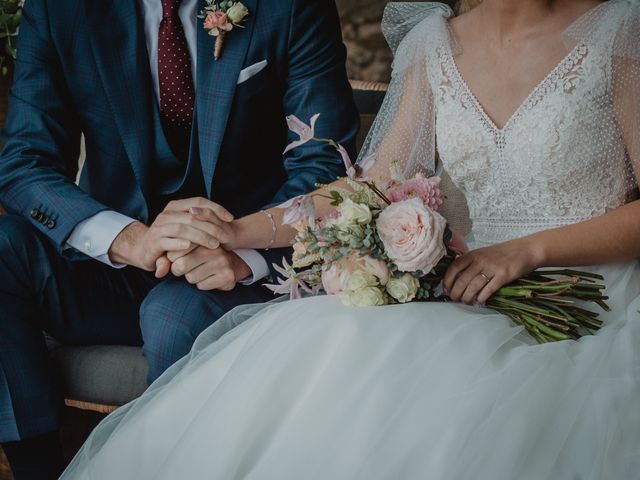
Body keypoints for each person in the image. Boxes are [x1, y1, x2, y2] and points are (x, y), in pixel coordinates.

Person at [63, 0, 640, 478]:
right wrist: (236, 232)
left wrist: (527, 250)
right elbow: (363, 191)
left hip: (594, 296)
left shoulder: (621, 32)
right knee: (332, 358)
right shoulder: (434, 43)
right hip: (463, 295)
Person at [0, 0, 359, 477]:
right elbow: (26, 160)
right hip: (113, 266)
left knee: (173, 316)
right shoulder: (59, 8)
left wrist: (240, 248)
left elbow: (326, 162)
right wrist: (129, 240)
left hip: (241, 264)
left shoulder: (287, 7)